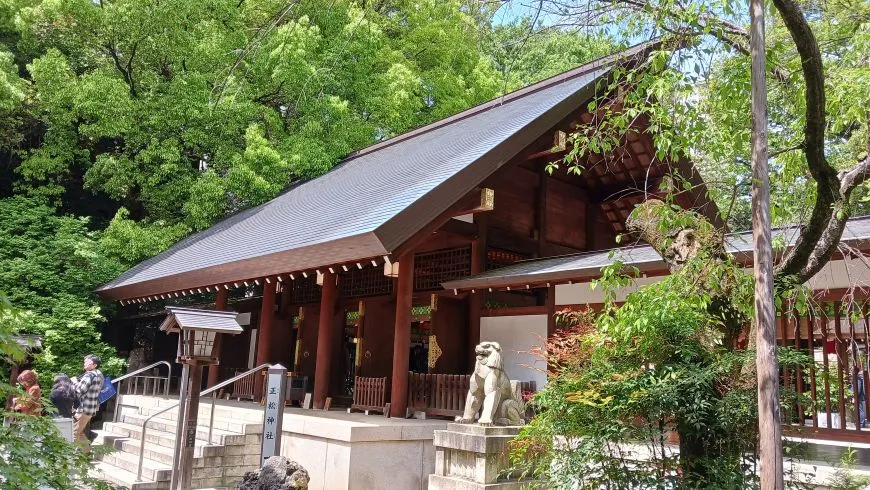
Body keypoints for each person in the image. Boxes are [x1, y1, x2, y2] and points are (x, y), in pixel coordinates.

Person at [73, 354, 103, 449]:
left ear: (94, 365)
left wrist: (73, 381)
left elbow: (80, 390)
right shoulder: (99, 374)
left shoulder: (89, 375)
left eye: (88, 362)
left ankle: (72, 459)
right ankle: (86, 454)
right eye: (85, 361)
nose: (85, 363)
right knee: (80, 433)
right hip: (90, 409)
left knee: (74, 433)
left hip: (83, 409)